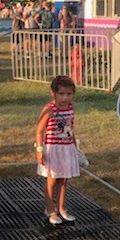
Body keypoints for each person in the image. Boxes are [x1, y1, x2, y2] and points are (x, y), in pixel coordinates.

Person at [34, 75, 80, 225]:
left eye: (69, 94)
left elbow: (70, 128)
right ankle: (50, 209)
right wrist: (39, 150)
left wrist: (75, 146)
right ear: (53, 93)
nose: (65, 98)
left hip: (66, 148)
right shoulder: (49, 110)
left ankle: (61, 208)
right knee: (52, 180)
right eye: (61, 94)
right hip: (53, 149)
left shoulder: (71, 108)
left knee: (64, 180)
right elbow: (40, 130)